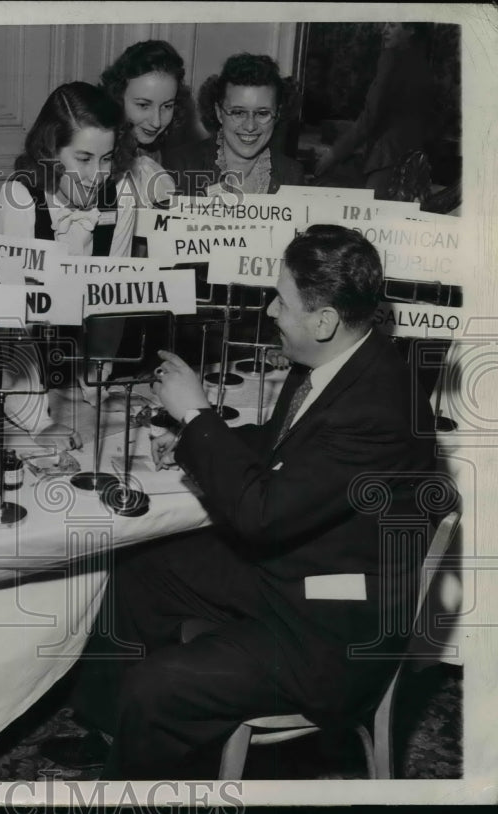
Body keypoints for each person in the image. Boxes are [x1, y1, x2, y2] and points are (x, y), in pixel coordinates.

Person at [44, 225, 439, 778]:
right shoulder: (339, 361)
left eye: (283, 298)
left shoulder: (376, 406)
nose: (272, 309)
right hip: (301, 572)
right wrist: (190, 442)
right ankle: (118, 735)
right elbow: (289, 452)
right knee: (140, 566)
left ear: (324, 321)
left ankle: (133, 771)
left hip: (334, 631)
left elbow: (261, 514)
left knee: (161, 684)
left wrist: (198, 417)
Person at [0, 82, 137, 444]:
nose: (98, 176)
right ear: (50, 151)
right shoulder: (19, 197)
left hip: (87, 354)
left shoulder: (121, 196)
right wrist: (35, 415)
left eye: (107, 159)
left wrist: (97, 385)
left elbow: (113, 300)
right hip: (25, 360)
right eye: (84, 159)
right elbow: (13, 318)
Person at [313, 23, 435, 199]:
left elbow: (371, 115)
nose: (383, 30)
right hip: (410, 159)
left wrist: (334, 154)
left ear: (411, 30)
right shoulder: (421, 63)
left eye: (392, 25)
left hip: (387, 159)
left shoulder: (392, 58)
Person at [167, 53, 304, 196]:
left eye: (262, 113)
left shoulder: (292, 175)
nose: (250, 126)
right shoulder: (181, 166)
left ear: (277, 115)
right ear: (219, 113)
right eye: (238, 113)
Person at [100, 39, 190, 207]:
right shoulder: (98, 157)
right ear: (117, 98)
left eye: (167, 106)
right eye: (143, 105)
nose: (156, 122)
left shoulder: (151, 154)